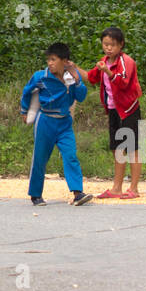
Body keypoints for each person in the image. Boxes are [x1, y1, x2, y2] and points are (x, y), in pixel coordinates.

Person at [19, 43, 91, 206]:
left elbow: (81, 97)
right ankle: (36, 195)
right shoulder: (40, 76)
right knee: (40, 158)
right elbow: (27, 92)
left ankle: (78, 193)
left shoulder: (71, 79)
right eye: (48, 60)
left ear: (65, 61)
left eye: (53, 59)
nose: (50, 63)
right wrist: (24, 111)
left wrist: (78, 79)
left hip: (64, 123)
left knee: (70, 155)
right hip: (45, 121)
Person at [81, 27, 143, 199]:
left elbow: (123, 82)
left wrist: (108, 71)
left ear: (120, 45)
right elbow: (90, 77)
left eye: (112, 45)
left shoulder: (126, 61)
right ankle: (116, 188)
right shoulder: (104, 61)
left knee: (132, 149)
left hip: (129, 109)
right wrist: (71, 67)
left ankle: (134, 189)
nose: (109, 48)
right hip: (114, 109)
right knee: (118, 149)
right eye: (106, 44)